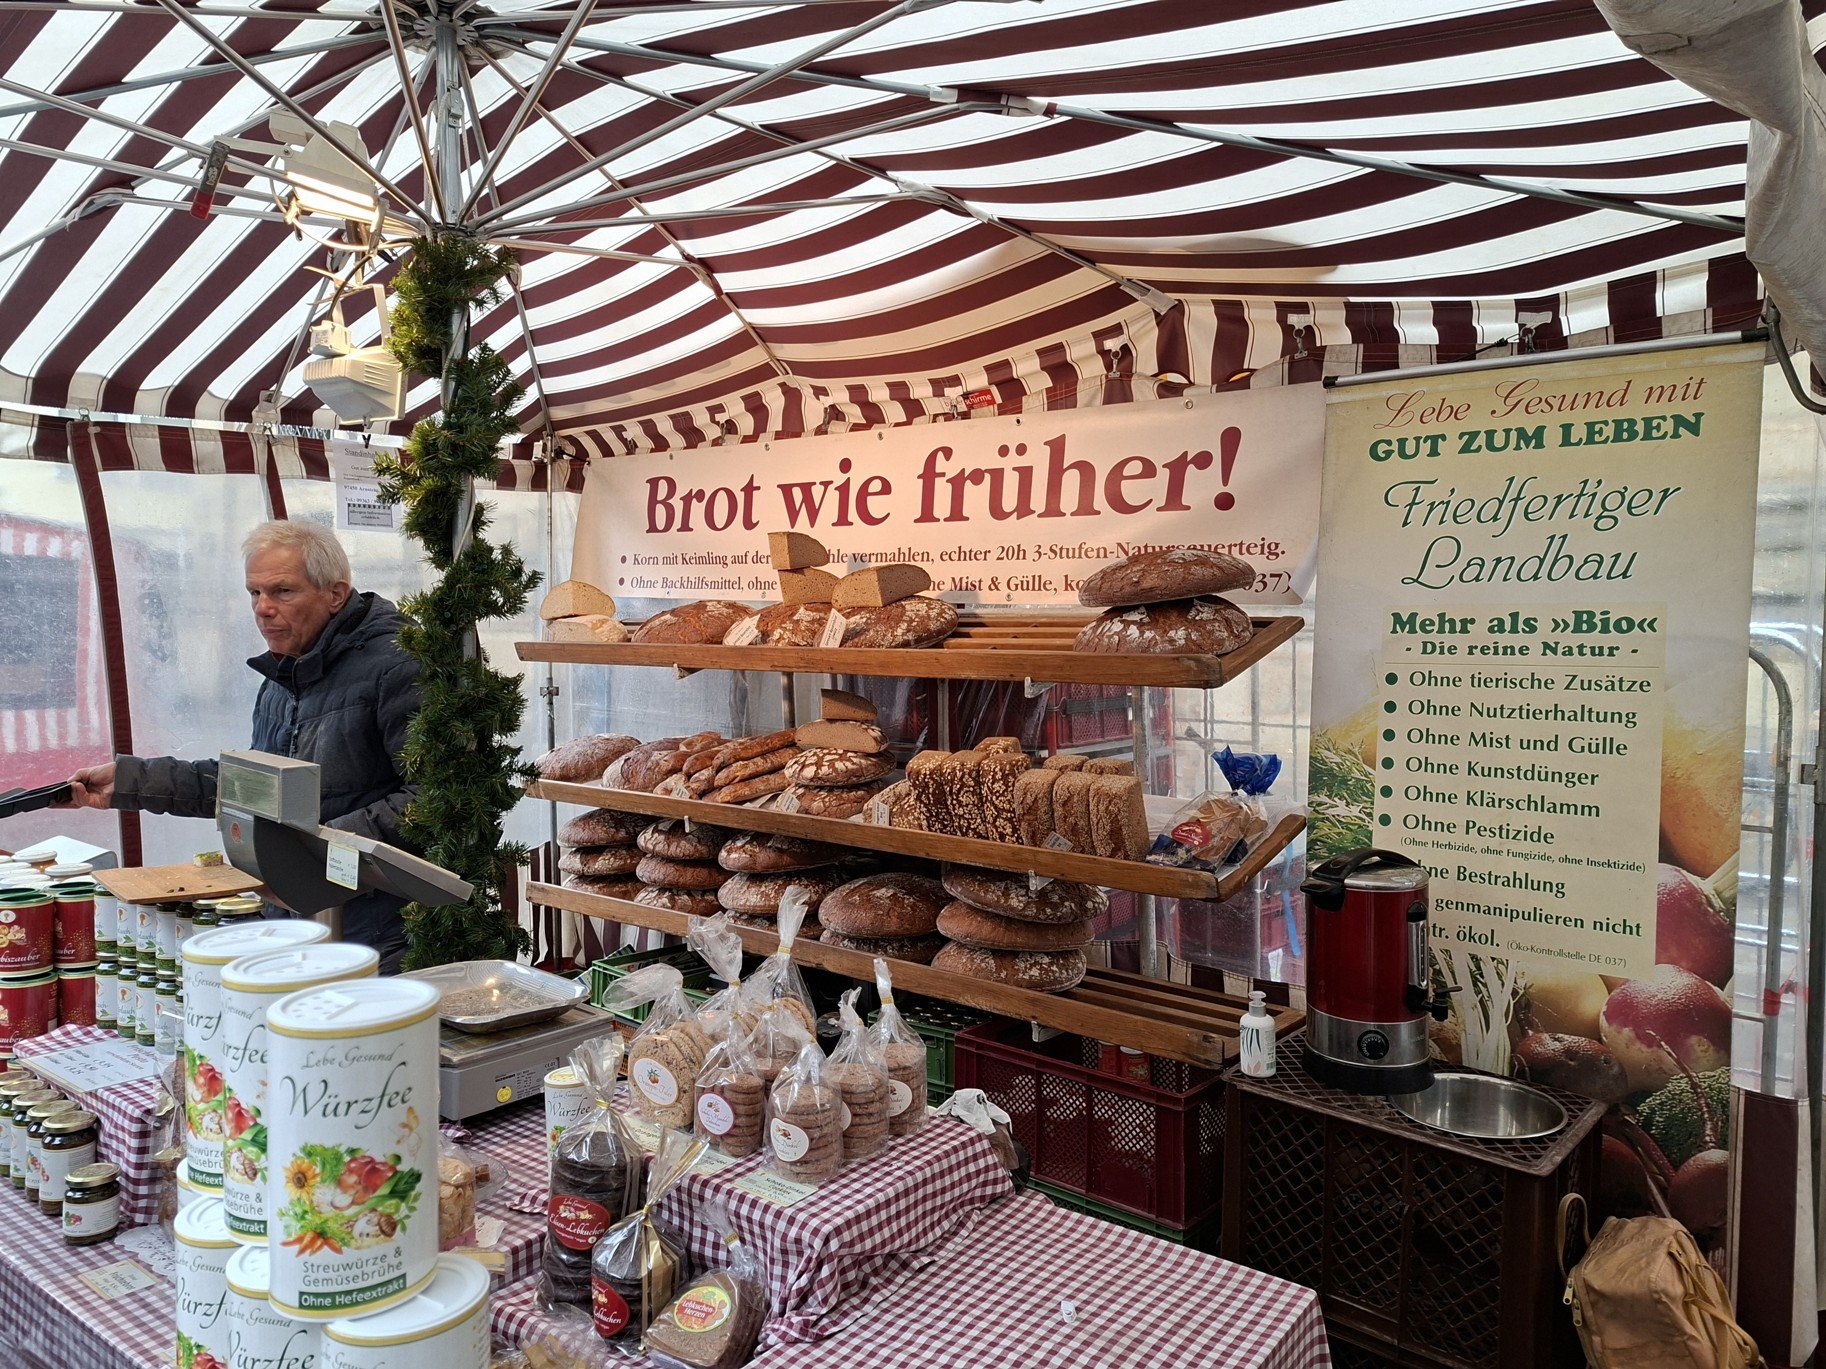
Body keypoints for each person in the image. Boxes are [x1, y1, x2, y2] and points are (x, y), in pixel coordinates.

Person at [66, 520, 421, 971]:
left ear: (335, 594)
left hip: (380, 930)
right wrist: (131, 781)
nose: (263, 608)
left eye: (282, 591)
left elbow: (433, 798)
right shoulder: (287, 670)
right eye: (255, 593)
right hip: (295, 911)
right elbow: (252, 787)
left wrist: (312, 849)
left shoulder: (399, 665)